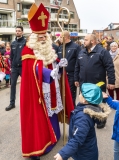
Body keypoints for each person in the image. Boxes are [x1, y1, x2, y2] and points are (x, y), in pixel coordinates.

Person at [19, 3, 74, 159]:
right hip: (39, 89)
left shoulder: (50, 49)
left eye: (45, 36)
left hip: (52, 86)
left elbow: (53, 62)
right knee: (41, 116)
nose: (43, 39)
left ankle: (55, 134)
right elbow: (33, 69)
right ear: (35, 38)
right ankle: (43, 141)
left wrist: (60, 65)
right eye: (40, 37)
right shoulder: (28, 50)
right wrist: (50, 72)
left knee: (53, 113)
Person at [54, 83, 110, 160]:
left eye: (80, 93)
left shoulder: (82, 118)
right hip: (87, 150)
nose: (79, 94)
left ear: (84, 100)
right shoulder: (90, 107)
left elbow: (77, 139)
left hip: (84, 155)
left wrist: (63, 154)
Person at [74, 33, 115, 129]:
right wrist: (76, 78)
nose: (84, 41)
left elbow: (110, 67)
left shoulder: (102, 52)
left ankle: (101, 119)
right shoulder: (81, 52)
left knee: (99, 102)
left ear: (92, 41)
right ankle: (87, 119)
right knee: (85, 101)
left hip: (97, 83)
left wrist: (112, 81)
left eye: (86, 40)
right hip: (84, 83)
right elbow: (77, 66)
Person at [5, 26, 26, 111]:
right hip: (14, 68)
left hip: (23, 67)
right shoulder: (13, 43)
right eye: (16, 31)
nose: (17, 32)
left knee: (24, 86)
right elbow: (11, 56)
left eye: (19, 31)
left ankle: (26, 103)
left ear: (22, 32)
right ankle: (12, 103)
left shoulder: (25, 42)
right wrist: (11, 67)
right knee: (12, 85)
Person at [58, 30, 81, 106]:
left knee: (71, 96)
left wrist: (76, 78)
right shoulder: (60, 47)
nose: (59, 39)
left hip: (71, 75)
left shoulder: (76, 47)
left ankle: (72, 113)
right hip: (61, 75)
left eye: (61, 37)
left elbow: (79, 62)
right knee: (62, 95)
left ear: (67, 37)